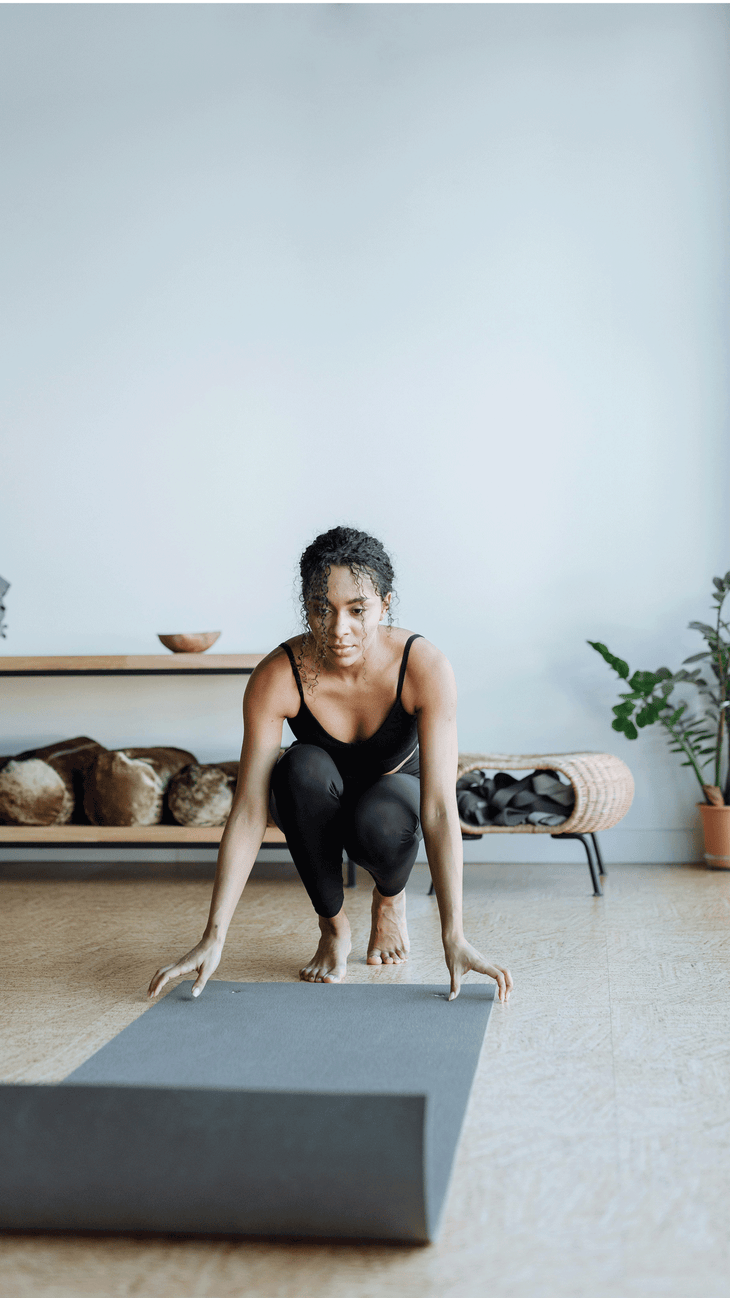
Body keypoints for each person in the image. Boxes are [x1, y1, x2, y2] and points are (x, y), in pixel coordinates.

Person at [148, 527, 512, 1004]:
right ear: (306, 606)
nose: (339, 628)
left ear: (384, 603)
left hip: (393, 800)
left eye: (357, 610)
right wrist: (213, 934)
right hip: (321, 798)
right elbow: (249, 810)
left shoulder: (424, 666)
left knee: (384, 816)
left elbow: (441, 809)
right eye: (322, 609)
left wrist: (455, 936)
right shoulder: (278, 676)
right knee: (297, 770)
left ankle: (389, 898)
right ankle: (332, 926)